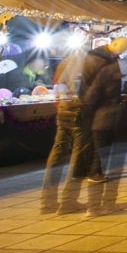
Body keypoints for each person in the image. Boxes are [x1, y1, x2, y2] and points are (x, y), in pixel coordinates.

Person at [78, 35, 127, 216]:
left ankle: (98, 199)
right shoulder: (105, 68)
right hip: (102, 115)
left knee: (102, 152)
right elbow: (91, 92)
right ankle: (95, 202)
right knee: (101, 152)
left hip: (103, 114)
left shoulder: (107, 65)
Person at [40, 47, 89, 214]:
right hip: (78, 114)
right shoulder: (84, 66)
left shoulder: (62, 65)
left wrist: (60, 107)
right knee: (78, 157)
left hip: (62, 112)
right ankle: (69, 200)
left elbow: (57, 88)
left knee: (57, 154)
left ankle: (48, 201)